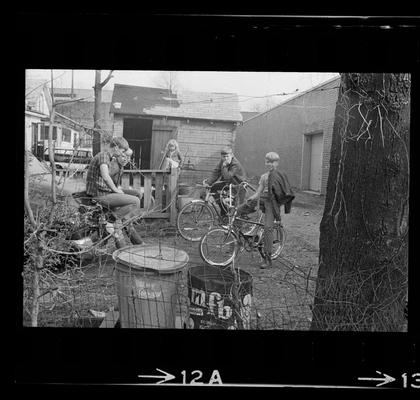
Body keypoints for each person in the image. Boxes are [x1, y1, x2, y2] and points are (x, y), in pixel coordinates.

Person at [85, 136, 143, 246]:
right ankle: (111, 221)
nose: (123, 154)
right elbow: (106, 176)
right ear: (116, 148)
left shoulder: (109, 158)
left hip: (105, 191)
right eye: (122, 151)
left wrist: (118, 190)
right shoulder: (103, 156)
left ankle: (122, 219)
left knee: (137, 194)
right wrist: (116, 190)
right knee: (135, 201)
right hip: (100, 195)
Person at [243, 152, 294, 269]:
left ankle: (267, 258)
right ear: (265, 162)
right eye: (268, 162)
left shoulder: (280, 175)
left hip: (272, 203)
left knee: (268, 228)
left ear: (277, 163)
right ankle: (241, 237)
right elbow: (259, 192)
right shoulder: (264, 176)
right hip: (263, 200)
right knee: (241, 209)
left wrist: (279, 202)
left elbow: (284, 191)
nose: (270, 164)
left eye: (273, 162)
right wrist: (252, 198)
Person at [204, 147, 247, 219]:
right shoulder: (222, 161)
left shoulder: (235, 164)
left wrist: (224, 166)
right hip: (228, 183)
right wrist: (208, 183)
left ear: (232, 155)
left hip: (238, 185)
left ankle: (239, 222)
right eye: (224, 156)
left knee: (238, 209)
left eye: (227, 156)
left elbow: (227, 176)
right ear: (221, 156)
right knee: (213, 188)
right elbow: (216, 172)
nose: (226, 158)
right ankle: (224, 211)